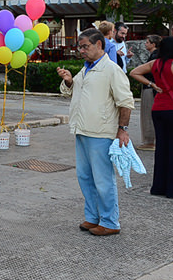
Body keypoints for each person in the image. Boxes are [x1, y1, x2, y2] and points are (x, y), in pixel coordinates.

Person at [57, 28, 134, 236]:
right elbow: (74, 91)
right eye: (79, 47)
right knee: (85, 177)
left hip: (101, 133)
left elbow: (126, 102)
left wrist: (122, 129)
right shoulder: (87, 69)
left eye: (85, 46)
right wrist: (69, 80)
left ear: (99, 44)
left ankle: (110, 221)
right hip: (82, 130)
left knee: (103, 180)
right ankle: (93, 216)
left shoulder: (111, 69)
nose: (81, 51)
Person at [129, 37, 173, 199]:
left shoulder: (154, 63)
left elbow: (134, 72)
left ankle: (159, 186)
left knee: (162, 148)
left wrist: (152, 85)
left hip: (158, 108)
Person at [135, 35, 161, 151]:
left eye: (147, 42)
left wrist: (149, 83)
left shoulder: (155, 56)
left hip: (150, 87)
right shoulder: (156, 55)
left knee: (147, 114)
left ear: (153, 44)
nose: (145, 44)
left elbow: (146, 72)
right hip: (152, 87)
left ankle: (149, 141)